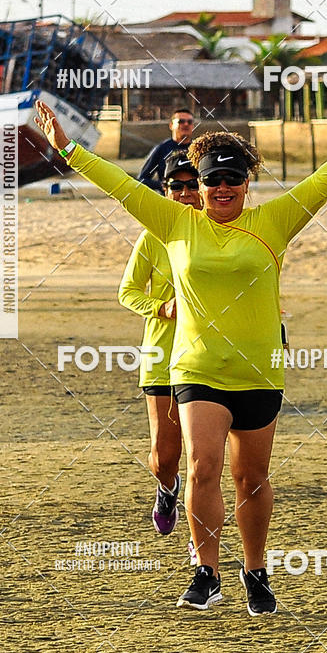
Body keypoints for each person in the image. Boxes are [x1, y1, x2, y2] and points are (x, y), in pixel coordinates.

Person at [34, 94, 327, 616]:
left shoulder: (276, 221)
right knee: (202, 467)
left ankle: (255, 570)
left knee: (250, 478)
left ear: (246, 184)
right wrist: (68, 147)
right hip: (197, 366)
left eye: (231, 179)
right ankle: (205, 572)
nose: (221, 188)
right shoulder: (173, 222)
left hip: (259, 370)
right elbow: (116, 185)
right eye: (211, 181)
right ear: (200, 186)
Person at [118, 151, 202, 537]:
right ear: (165, 191)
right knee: (165, 457)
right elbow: (128, 292)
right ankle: (167, 488)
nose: (185, 193)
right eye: (176, 187)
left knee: (205, 460)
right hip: (162, 352)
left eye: (192, 185)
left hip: (207, 357)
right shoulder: (152, 236)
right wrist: (161, 307)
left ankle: (202, 545)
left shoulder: (219, 229)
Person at [138, 107, 195, 193]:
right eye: (181, 121)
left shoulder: (197, 148)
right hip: (169, 199)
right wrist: (165, 185)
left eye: (189, 122)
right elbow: (142, 179)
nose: (186, 124)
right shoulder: (162, 149)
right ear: (171, 125)